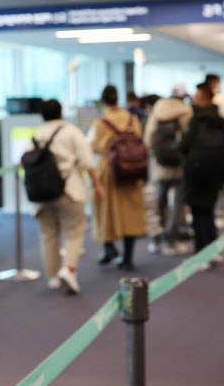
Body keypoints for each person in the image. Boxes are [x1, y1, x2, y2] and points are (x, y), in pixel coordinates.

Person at [29, 100, 102, 295]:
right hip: (69, 190)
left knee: (48, 235)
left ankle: (52, 277)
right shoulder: (71, 132)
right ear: (61, 112)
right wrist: (97, 184)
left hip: (41, 195)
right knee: (74, 231)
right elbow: (87, 161)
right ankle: (68, 269)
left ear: (42, 116)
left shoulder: (37, 134)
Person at [177, 84, 224, 267]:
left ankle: (200, 255)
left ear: (204, 99)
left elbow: (183, 147)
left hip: (195, 174)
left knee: (198, 215)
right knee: (208, 213)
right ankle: (213, 251)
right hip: (214, 175)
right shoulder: (223, 123)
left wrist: (187, 161)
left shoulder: (196, 122)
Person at [92, 85, 147, 271]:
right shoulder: (132, 118)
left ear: (103, 101)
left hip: (110, 171)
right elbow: (140, 138)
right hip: (133, 171)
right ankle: (128, 257)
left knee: (107, 211)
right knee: (131, 212)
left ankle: (109, 249)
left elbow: (94, 146)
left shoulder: (101, 122)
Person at [143, 84, 193, 255]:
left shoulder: (158, 107)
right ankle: (170, 240)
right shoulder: (186, 111)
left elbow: (148, 136)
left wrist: (156, 154)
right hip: (179, 166)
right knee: (178, 204)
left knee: (159, 202)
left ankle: (156, 238)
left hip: (160, 165)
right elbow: (189, 139)